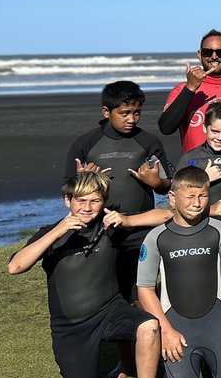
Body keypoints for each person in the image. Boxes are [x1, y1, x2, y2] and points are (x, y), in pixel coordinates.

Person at [7, 172, 161, 378]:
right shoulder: (51, 234)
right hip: (71, 328)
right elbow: (15, 267)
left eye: (95, 200)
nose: (87, 207)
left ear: (104, 202)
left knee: (149, 326)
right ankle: (115, 364)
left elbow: (167, 217)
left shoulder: (110, 228)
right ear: (67, 201)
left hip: (110, 311)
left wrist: (127, 220)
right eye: (80, 200)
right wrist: (58, 231)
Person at [136, 166, 221, 378]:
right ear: (172, 198)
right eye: (189, 196)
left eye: (202, 196)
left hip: (215, 320)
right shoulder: (156, 237)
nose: (196, 203)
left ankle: (207, 362)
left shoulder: (219, 230)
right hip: (177, 325)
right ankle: (183, 367)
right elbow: (145, 289)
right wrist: (166, 332)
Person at [64, 80, 174, 306]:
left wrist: (156, 182)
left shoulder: (148, 142)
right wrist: (83, 180)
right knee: (108, 292)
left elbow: (168, 185)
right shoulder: (86, 143)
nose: (132, 119)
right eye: (124, 113)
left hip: (140, 228)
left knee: (142, 292)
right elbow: (67, 189)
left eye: (137, 113)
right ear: (106, 112)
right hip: (99, 229)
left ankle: (147, 336)